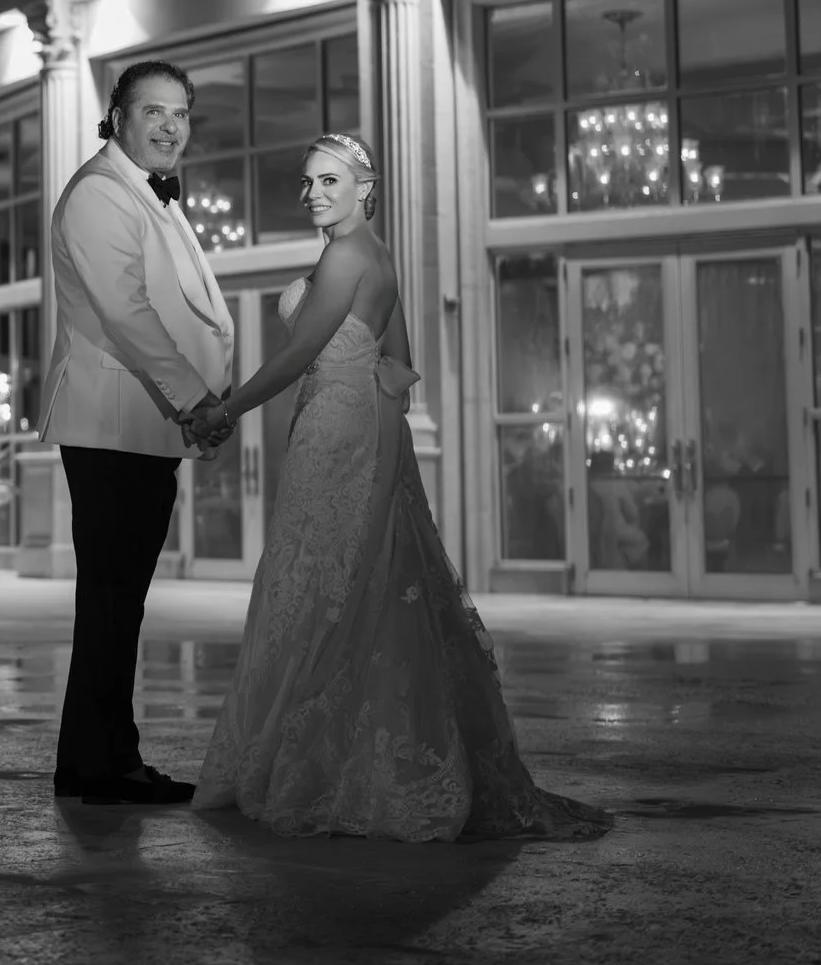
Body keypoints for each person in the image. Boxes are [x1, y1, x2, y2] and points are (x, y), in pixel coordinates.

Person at [185, 133, 609, 841]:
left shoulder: (348, 255)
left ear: (365, 187)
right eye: (308, 181)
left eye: (329, 181)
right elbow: (402, 365)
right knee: (355, 581)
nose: (313, 192)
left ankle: (326, 765)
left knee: (321, 584)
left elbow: (297, 355)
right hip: (358, 425)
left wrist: (225, 408)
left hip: (334, 432)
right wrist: (382, 440)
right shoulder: (376, 255)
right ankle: (363, 753)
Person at [41, 61, 236, 806]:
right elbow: (127, 315)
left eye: (180, 113)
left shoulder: (144, 193)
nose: (168, 126)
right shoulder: (99, 193)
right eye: (151, 111)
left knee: (120, 603)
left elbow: (183, 307)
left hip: (141, 426)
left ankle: (99, 758)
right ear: (115, 116)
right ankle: (100, 765)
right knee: (113, 601)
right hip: (113, 423)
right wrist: (195, 399)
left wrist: (202, 392)